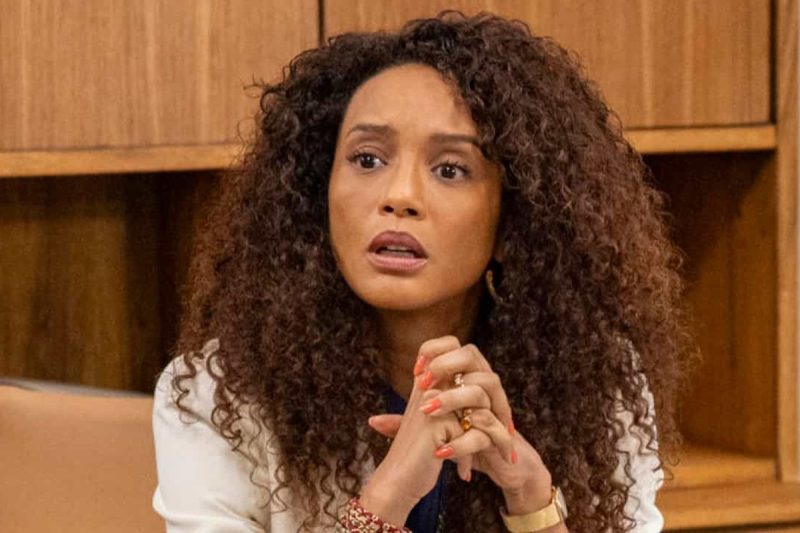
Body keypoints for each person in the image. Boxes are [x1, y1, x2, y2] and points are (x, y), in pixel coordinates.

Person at [152, 10, 691, 533]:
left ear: (513, 225)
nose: (400, 195)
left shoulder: (597, 381)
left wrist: (531, 498)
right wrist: (391, 494)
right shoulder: (218, 393)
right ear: (318, 193)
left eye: (450, 169)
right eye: (367, 159)